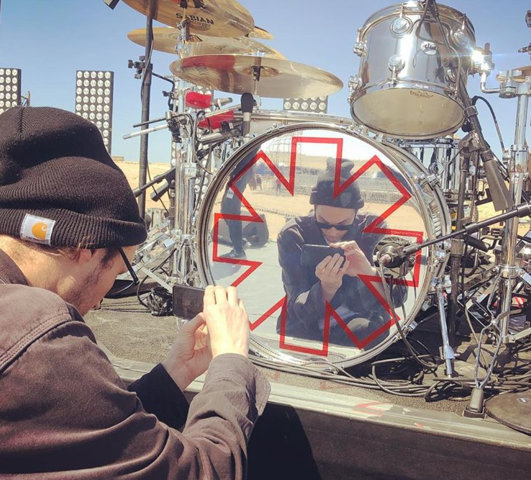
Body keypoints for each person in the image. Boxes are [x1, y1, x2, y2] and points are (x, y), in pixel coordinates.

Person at [0, 107, 269, 478]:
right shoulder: (36, 334)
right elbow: (202, 471)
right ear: (86, 247)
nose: (102, 300)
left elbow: (83, 434)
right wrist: (231, 361)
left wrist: (174, 373)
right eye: (119, 270)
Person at [277, 158, 404, 347]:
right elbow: (298, 304)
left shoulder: (373, 229)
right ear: (313, 210)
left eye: (343, 224)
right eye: (323, 222)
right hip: (307, 326)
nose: (333, 231)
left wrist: (368, 273)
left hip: (362, 321)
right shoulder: (294, 234)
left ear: (356, 214)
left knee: (366, 332)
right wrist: (326, 289)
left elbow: (398, 298)